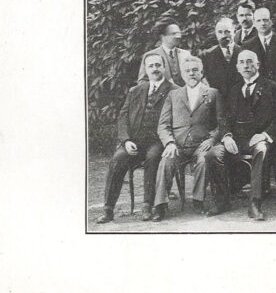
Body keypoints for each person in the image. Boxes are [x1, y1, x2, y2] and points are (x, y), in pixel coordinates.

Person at [96, 53, 177, 223]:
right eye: (150, 66)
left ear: (164, 67)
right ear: (145, 69)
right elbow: (122, 117)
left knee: (153, 157)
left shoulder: (174, 90)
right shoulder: (136, 90)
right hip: (134, 141)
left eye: (158, 65)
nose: (154, 69)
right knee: (117, 159)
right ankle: (108, 209)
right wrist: (126, 140)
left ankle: (147, 206)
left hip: (158, 141)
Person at [151, 56, 230, 221]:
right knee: (166, 161)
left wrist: (211, 140)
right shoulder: (173, 95)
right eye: (187, 71)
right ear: (182, 74)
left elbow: (221, 123)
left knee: (203, 161)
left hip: (201, 144)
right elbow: (163, 125)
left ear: (201, 72)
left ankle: (198, 200)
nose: (191, 73)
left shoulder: (213, 93)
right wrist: (169, 143)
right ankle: (160, 205)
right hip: (178, 146)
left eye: (195, 70)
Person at [225, 49, 276, 221]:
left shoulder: (272, 87)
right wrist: (227, 136)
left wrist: (265, 134)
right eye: (242, 62)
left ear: (257, 65)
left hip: (261, 139)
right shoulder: (234, 89)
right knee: (214, 154)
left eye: (250, 61)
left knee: (261, 149)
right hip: (238, 139)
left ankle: (255, 202)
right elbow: (225, 118)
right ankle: (221, 201)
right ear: (237, 67)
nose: (246, 65)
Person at [242, 7, 276, 91]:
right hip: (257, 92)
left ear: (271, 22)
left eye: (265, 20)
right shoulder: (247, 46)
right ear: (254, 23)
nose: (262, 23)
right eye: (259, 20)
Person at [137, 17, 191, 85]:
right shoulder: (150, 55)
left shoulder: (186, 54)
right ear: (162, 36)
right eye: (173, 34)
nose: (178, 36)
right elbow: (142, 82)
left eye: (179, 33)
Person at [199, 17, 241, 94]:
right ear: (216, 33)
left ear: (234, 32)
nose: (223, 35)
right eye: (220, 32)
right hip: (217, 98)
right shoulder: (206, 55)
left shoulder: (243, 52)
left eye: (227, 32)